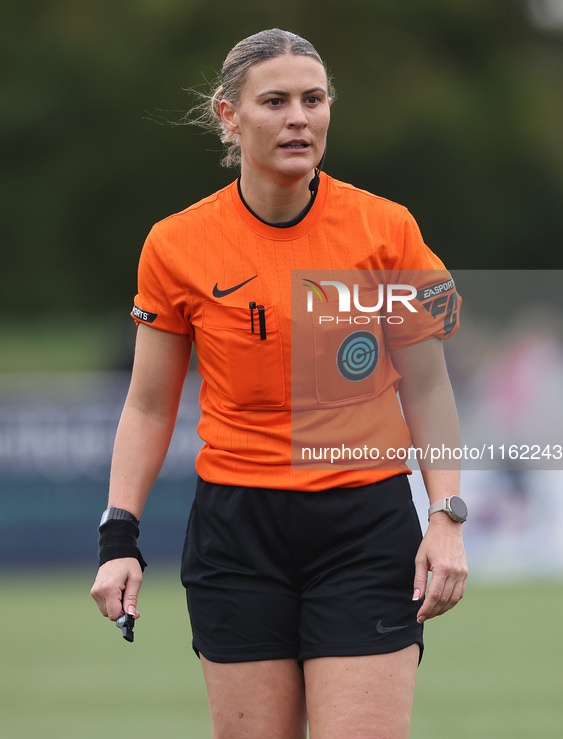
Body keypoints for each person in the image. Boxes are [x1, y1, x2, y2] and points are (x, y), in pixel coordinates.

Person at [91, 28, 468, 739]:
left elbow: (426, 389)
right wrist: (119, 536)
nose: (300, 117)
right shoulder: (175, 244)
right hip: (236, 535)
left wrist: (445, 516)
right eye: (275, 101)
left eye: (313, 99)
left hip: (364, 525)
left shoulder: (386, 231)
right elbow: (147, 406)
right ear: (228, 116)